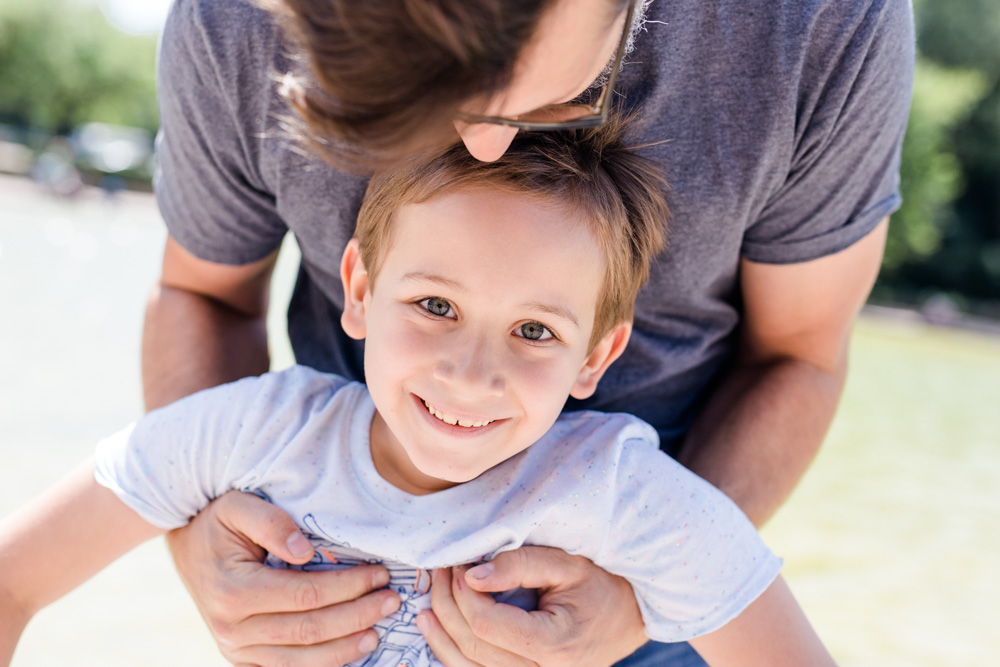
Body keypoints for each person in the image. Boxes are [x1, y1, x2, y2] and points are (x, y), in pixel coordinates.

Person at [145, 0, 915, 664]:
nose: (482, 143)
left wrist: (644, 596)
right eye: (418, 88)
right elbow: (205, 297)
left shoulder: (824, 22)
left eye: (535, 99)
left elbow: (798, 354)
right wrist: (198, 539)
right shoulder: (239, 22)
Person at [0, 124, 836, 667]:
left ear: (598, 354)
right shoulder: (256, 429)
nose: (471, 374)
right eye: (436, 306)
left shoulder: (618, 493)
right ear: (359, 289)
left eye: (535, 331)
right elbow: (12, 579)